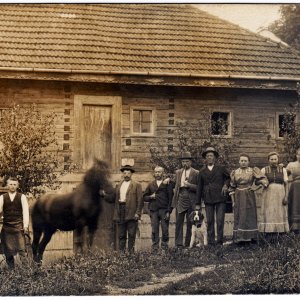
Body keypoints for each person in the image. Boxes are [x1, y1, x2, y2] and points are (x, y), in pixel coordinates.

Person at [229, 154, 268, 244]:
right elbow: (232, 187)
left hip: (249, 194)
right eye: (242, 161)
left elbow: (262, 181)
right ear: (239, 162)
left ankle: (251, 238)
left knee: (250, 214)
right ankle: (240, 238)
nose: (243, 163)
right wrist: (233, 201)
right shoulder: (235, 172)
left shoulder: (252, 171)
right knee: (239, 215)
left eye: (245, 161)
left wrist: (255, 188)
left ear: (248, 162)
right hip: (238, 195)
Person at [196, 147, 230, 246]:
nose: (209, 157)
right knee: (210, 220)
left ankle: (219, 241)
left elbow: (228, 178)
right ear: (205, 159)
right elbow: (199, 187)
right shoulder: (202, 171)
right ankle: (211, 242)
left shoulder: (221, 168)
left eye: (211, 156)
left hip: (220, 197)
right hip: (208, 198)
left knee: (220, 220)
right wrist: (197, 203)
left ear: (215, 158)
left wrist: (225, 185)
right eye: (207, 156)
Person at [0, 177, 30, 269]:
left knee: (22, 251)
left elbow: (25, 212)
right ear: (7, 185)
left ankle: (26, 273)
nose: (12, 186)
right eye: (10, 184)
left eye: (14, 184)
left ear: (17, 186)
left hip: (18, 227)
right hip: (7, 227)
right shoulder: (2, 197)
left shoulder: (22, 197)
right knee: (8, 252)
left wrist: (25, 226)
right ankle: (11, 272)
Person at [258, 152, 289, 239]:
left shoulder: (283, 170)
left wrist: (286, 196)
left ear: (278, 160)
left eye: (275, 159)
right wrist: (262, 181)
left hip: (280, 193)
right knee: (269, 212)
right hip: (268, 193)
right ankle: (269, 234)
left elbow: (286, 183)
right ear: (268, 160)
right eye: (271, 159)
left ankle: (280, 234)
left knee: (280, 212)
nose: (273, 161)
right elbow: (257, 181)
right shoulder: (264, 170)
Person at [171, 152, 199, 248]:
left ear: (191, 162)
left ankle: (188, 244)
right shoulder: (178, 172)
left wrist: (190, 185)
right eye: (183, 161)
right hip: (180, 198)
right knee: (179, 222)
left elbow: (199, 188)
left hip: (191, 199)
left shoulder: (196, 172)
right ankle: (178, 244)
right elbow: (175, 185)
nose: (185, 163)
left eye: (187, 161)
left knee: (190, 222)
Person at [113, 165, 143, 253]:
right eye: (125, 173)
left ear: (131, 174)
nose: (126, 175)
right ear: (122, 174)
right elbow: (114, 199)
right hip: (120, 211)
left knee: (131, 234)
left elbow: (140, 200)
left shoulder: (137, 185)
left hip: (132, 211)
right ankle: (122, 254)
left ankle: (131, 254)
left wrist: (138, 213)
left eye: (128, 173)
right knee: (121, 235)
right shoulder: (119, 185)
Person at [143, 166, 173, 252]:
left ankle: (164, 247)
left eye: (159, 172)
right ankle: (155, 248)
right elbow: (144, 197)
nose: (157, 174)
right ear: (154, 173)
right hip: (154, 210)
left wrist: (169, 211)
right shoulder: (150, 184)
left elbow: (170, 198)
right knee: (154, 229)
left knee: (165, 229)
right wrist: (150, 197)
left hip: (164, 210)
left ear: (163, 173)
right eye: (156, 172)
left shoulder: (167, 183)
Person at [286, 148, 300, 233]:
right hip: (295, 188)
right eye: (299, 154)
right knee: (295, 205)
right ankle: (295, 228)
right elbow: (284, 174)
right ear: (296, 155)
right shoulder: (291, 164)